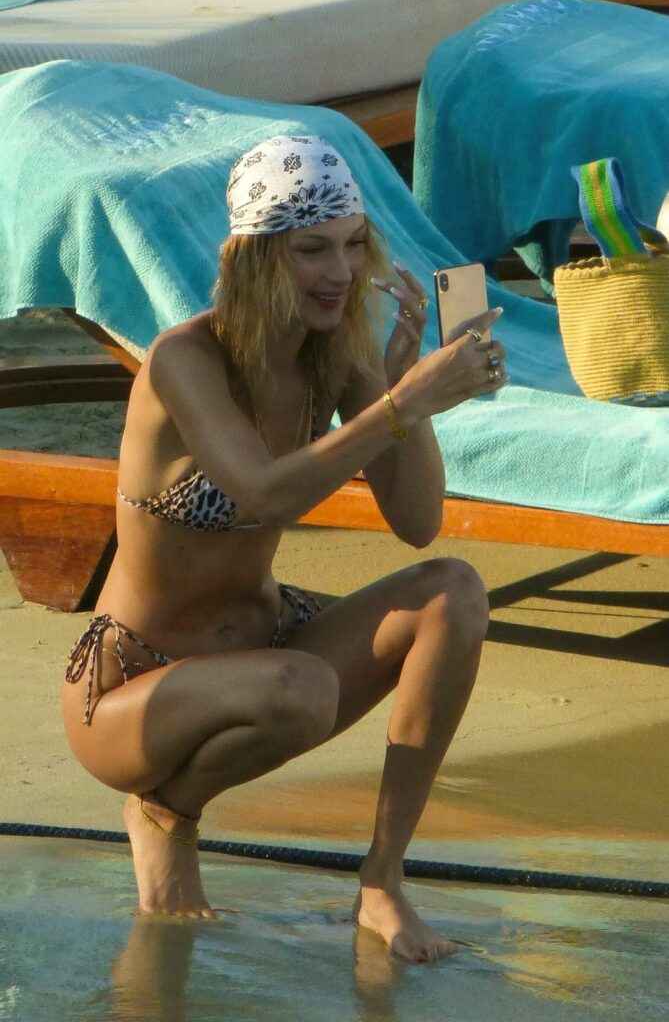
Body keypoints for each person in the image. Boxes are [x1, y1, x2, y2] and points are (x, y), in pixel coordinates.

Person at [61, 134, 507, 964]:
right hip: (135, 693)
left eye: (352, 245)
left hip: (266, 643)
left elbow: (417, 521)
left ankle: (382, 880)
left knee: (453, 590)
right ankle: (164, 809)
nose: (339, 272)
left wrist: (401, 395)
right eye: (311, 250)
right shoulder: (184, 360)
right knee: (303, 688)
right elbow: (264, 493)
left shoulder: (333, 355)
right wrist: (398, 407)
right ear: (255, 257)